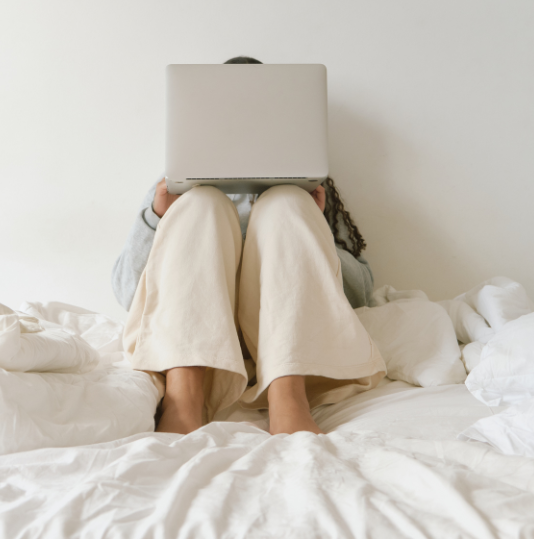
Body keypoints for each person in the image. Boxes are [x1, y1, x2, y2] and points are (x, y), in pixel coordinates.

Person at [112, 57, 385, 435]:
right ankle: (184, 397)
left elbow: (359, 295)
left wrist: (314, 228)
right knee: (202, 203)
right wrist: (157, 217)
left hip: (291, 344)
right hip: (194, 350)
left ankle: (287, 396)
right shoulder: (179, 188)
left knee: (285, 202)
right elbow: (129, 293)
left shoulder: (307, 188)